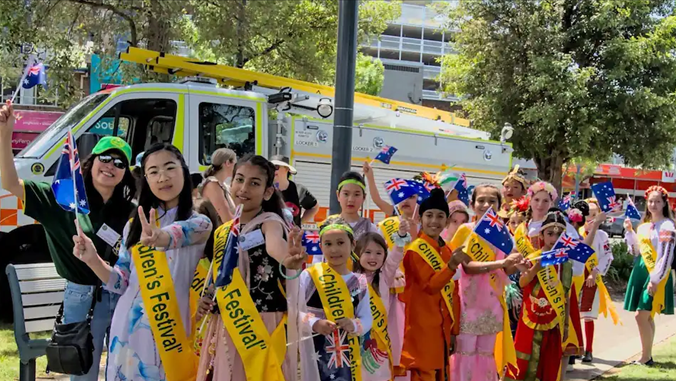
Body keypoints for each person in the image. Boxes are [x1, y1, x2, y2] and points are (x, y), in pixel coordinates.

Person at [0, 101, 136, 381]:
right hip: (82, 299)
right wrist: (5, 135)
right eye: (105, 158)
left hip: (123, 298)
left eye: (120, 162)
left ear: (125, 173)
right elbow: (11, 184)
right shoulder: (62, 199)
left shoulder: (129, 210)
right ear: (91, 161)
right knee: (83, 375)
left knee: (123, 372)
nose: (111, 166)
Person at [72, 143, 212, 381]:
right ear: (145, 179)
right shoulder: (133, 226)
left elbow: (177, 234)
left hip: (168, 332)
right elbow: (120, 283)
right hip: (126, 330)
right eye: (153, 172)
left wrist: (160, 237)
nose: (163, 177)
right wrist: (93, 260)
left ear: (184, 171)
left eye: (170, 168)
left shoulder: (200, 223)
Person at [194, 154, 307, 381]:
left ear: (267, 192)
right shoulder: (225, 230)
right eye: (239, 179)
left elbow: (277, 247)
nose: (243, 188)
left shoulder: (270, 222)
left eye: (254, 183)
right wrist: (207, 297)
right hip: (227, 318)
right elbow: (218, 273)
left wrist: (288, 259)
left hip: (260, 320)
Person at [450, 184, 523, 381]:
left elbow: (508, 269)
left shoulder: (504, 233)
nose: (486, 204)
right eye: (481, 200)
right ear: (472, 204)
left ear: (499, 205)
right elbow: (467, 266)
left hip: (491, 305)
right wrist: (502, 262)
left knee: (485, 354)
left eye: (492, 201)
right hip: (467, 302)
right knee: (464, 353)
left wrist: (519, 262)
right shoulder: (465, 231)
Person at [401, 188, 467, 381]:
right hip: (421, 329)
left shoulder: (447, 249)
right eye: (429, 215)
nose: (434, 221)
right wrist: (451, 266)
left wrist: (454, 330)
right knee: (424, 374)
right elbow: (430, 286)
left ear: (447, 221)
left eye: (440, 216)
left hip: (443, 330)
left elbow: (454, 293)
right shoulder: (414, 251)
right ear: (420, 219)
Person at [297, 216, 373, 381]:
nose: (334, 250)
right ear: (320, 246)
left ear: (352, 244)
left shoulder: (359, 282)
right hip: (314, 353)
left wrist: (352, 324)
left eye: (340, 243)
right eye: (328, 244)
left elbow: (367, 318)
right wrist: (314, 323)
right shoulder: (309, 276)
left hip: (347, 355)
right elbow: (294, 313)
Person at [508, 209, 571, 381]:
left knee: (548, 362)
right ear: (542, 235)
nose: (554, 238)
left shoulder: (566, 263)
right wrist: (537, 266)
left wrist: (565, 325)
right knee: (526, 360)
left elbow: (566, 295)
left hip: (554, 321)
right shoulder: (533, 257)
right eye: (550, 233)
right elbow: (522, 282)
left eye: (559, 234)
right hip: (531, 318)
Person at [624, 185, 675, 366]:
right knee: (647, 316)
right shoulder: (643, 226)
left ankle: (645, 357)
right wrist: (629, 231)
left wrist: (655, 279)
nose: (653, 204)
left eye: (657, 201)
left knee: (641, 315)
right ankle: (648, 356)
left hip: (656, 274)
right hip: (640, 270)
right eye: (650, 201)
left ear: (664, 204)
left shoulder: (668, 225)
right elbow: (635, 251)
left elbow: (667, 255)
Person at [353, 226, 410, 381]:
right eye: (368, 252)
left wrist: (401, 236)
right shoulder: (351, 279)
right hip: (356, 337)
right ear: (357, 253)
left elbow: (396, 257)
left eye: (379, 253)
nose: (373, 257)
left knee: (379, 374)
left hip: (380, 338)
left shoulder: (385, 276)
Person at [574, 199, 614, 364]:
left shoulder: (602, 235)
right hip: (576, 277)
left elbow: (607, 256)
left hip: (592, 278)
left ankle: (588, 349)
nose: (590, 218)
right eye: (587, 215)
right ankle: (576, 347)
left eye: (594, 215)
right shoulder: (576, 233)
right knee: (574, 314)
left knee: (588, 315)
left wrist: (594, 273)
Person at [271, 155, 319, 226]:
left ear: (286, 169)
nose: (272, 170)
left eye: (276, 167)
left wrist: (299, 223)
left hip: (292, 236)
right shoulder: (265, 189)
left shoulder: (299, 190)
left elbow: (314, 207)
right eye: (270, 167)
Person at [198, 148, 236, 225]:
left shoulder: (222, 185)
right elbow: (227, 219)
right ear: (228, 163)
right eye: (235, 164)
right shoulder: (213, 185)